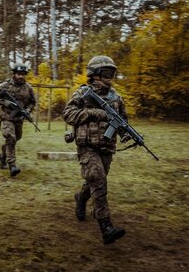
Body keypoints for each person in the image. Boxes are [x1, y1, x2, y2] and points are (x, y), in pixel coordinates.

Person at [63, 55, 128, 245]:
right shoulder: (83, 93)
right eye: (106, 73)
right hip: (87, 147)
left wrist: (125, 130)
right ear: (95, 75)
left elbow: (123, 120)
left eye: (112, 73)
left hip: (107, 147)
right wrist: (92, 112)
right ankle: (106, 226)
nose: (110, 77)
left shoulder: (116, 97)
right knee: (99, 181)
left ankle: (81, 198)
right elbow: (68, 114)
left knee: (95, 182)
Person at [0, 63, 36, 177]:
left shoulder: (28, 88)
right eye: (18, 74)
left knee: (16, 138)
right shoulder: (4, 86)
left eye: (23, 74)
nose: (21, 76)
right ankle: (12, 165)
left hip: (19, 118)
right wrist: (6, 102)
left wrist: (27, 110)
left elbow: (33, 102)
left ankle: (3, 155)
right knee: (11, 138)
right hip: (7, 117)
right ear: (14, 74)